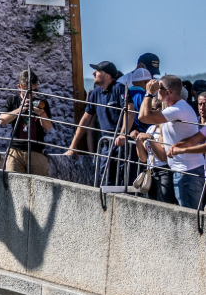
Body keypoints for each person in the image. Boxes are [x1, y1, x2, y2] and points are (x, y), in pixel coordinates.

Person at [134, 74, 206, 209]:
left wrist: (149, 93)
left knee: (190, 219)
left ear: (168, 92)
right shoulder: (177, 108)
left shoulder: (178, 109)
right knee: (190, 217)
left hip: (187, 172)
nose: (156, 90)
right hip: (185, 171)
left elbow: (143, 117)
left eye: (159, 88)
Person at [63, 61, 125, 165]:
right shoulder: (95, 93)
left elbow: (129, 112)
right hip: (106, 146)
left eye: (97, 70)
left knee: (123, 180)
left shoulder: (119, 88)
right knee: (105, 180)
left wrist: (123, 134)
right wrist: (73, 146)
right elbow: (86, 119)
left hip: (122, 147)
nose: (93, 73)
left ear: (107, 76)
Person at [0, 70, 53, 175]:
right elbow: (2, 121)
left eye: (35, 90)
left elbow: (48, 128)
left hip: (36, 151)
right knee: (14, 186)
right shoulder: (12, 101)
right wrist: (20, 109)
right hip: (15, 151)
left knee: (40, 186)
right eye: (28, 91)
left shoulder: (42, 102)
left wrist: (42, 114)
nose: (31, 94)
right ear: (19, 86)